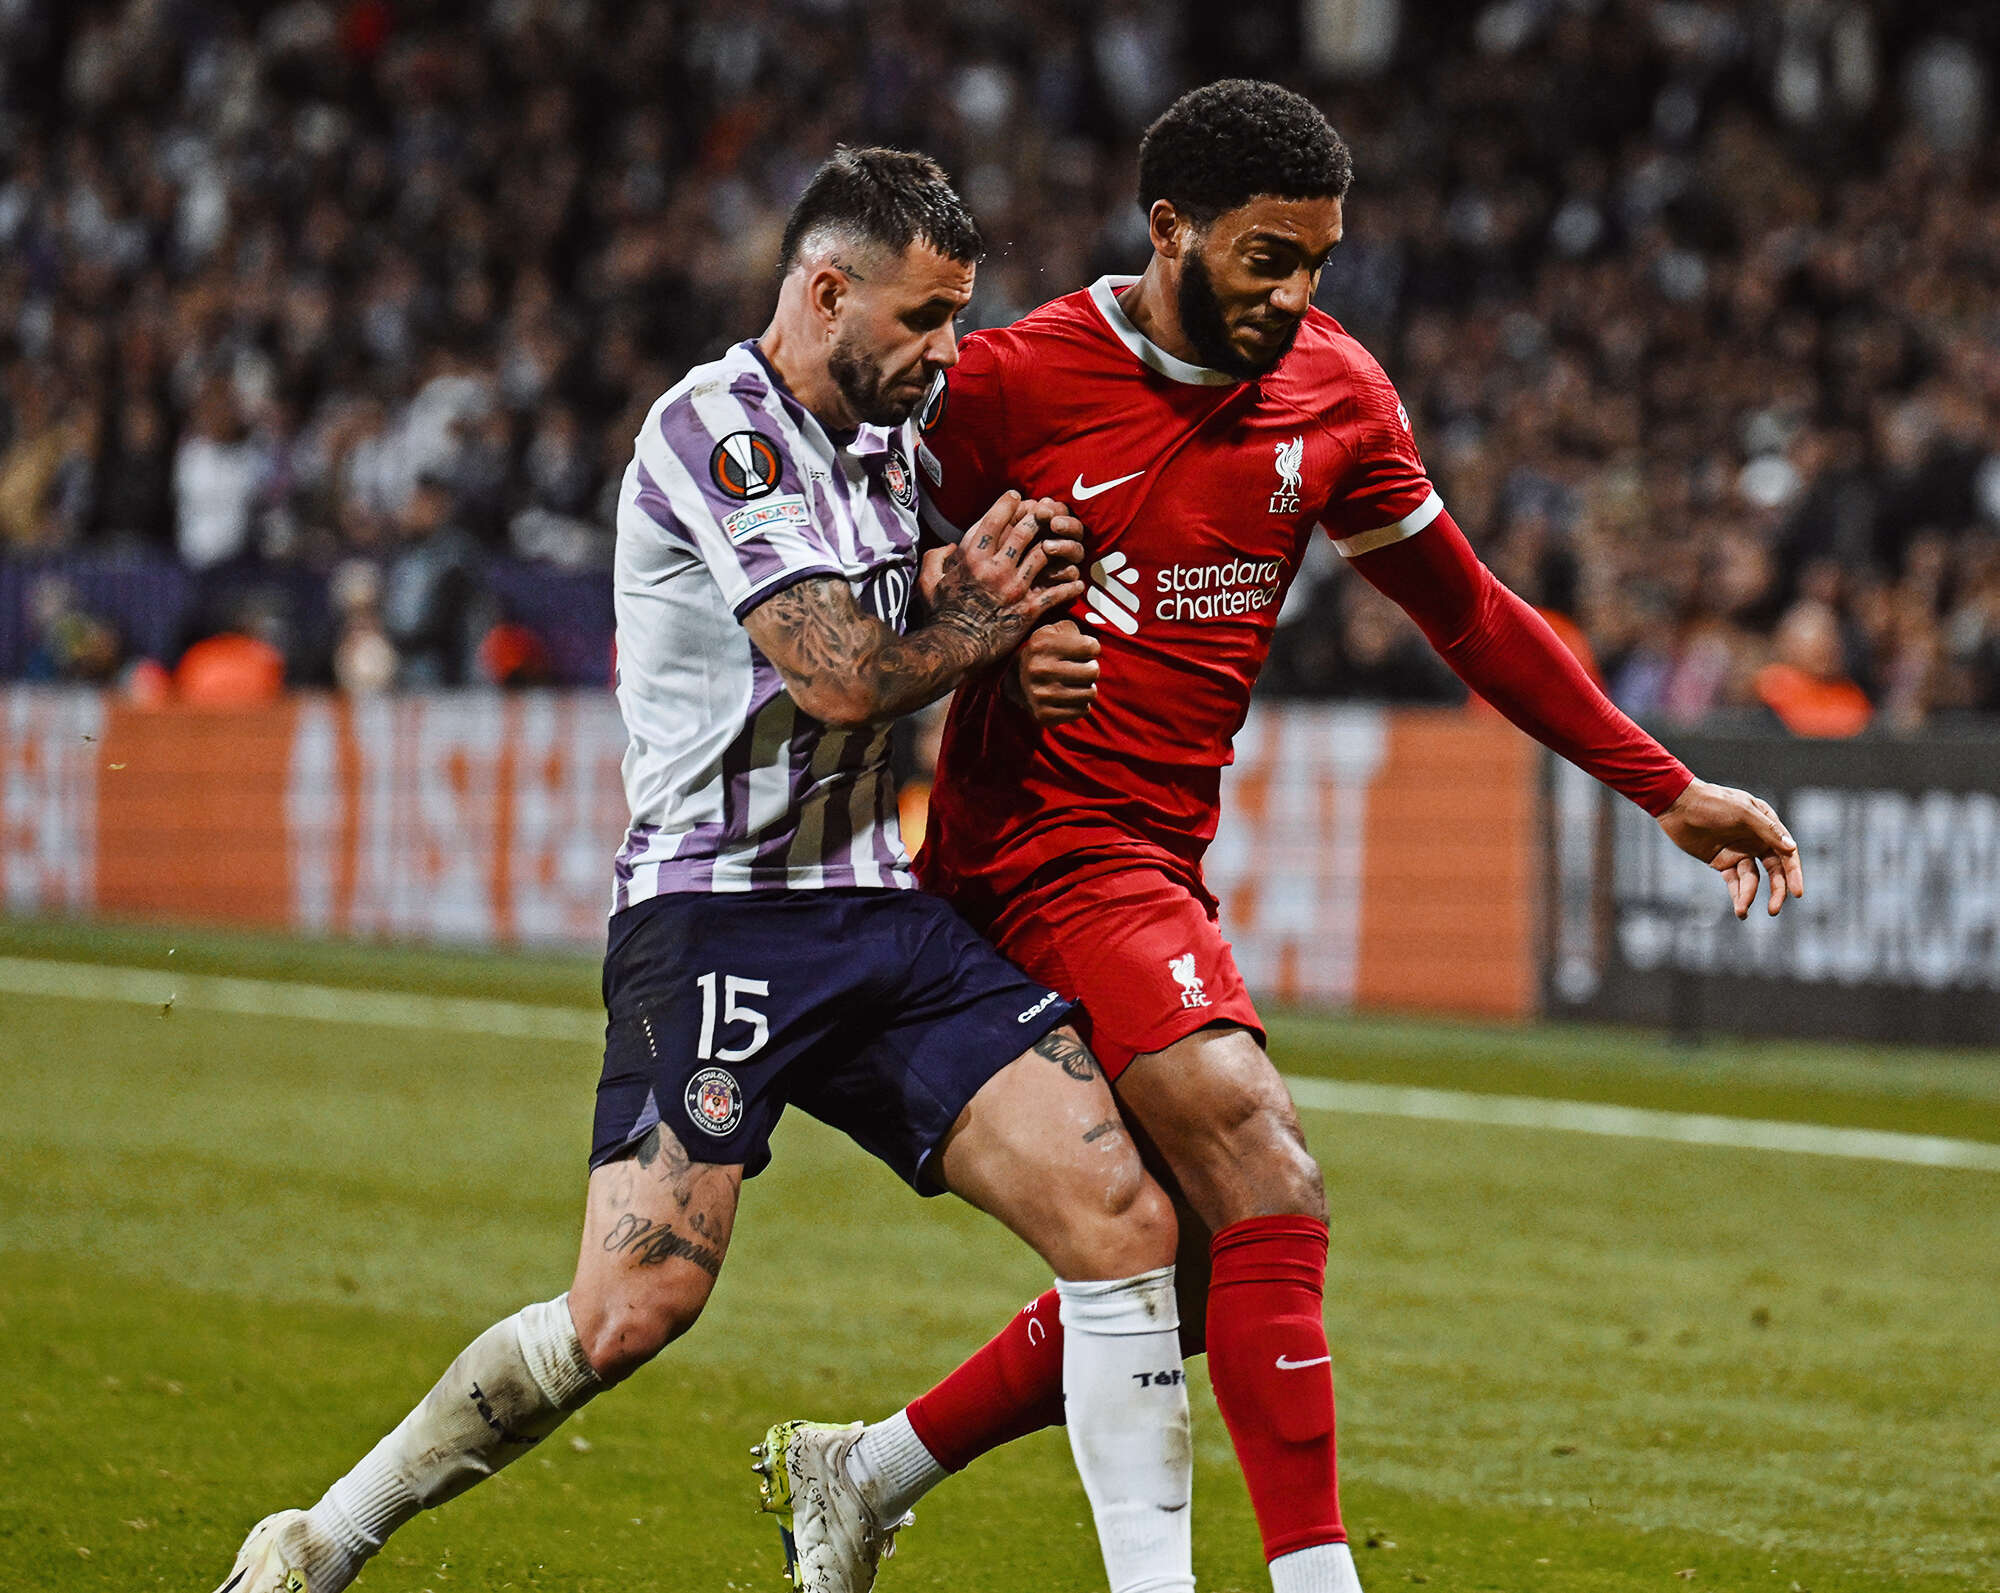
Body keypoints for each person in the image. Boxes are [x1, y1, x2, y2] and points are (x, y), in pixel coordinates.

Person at [767, 82, 1806, 1593]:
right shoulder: (1005, 382)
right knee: (1268, 1162)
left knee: (1189, 1261)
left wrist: (1663, 785)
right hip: (1037, 854)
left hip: (1153, 862)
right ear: (1168, 227)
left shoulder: (1334, 392)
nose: (1295, 294)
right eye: (1267, 257)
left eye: (1318, 260)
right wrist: (983, 636)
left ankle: (863, 1470)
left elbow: (1471, 612)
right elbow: (848, 563)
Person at [215, 149, 1197, 1593]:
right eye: (924, 320)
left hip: (873, 907)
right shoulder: (712, 430)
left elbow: (918, 603)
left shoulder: (892, 448)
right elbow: (843, 675)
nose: (948, 355)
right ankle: (319, 1538)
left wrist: (1006, 616)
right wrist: (981, 616)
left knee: (1129, 1221)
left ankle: (886, 1489)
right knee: (628, 1312)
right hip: (714, 915)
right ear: (825, 291)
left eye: (958, 320)